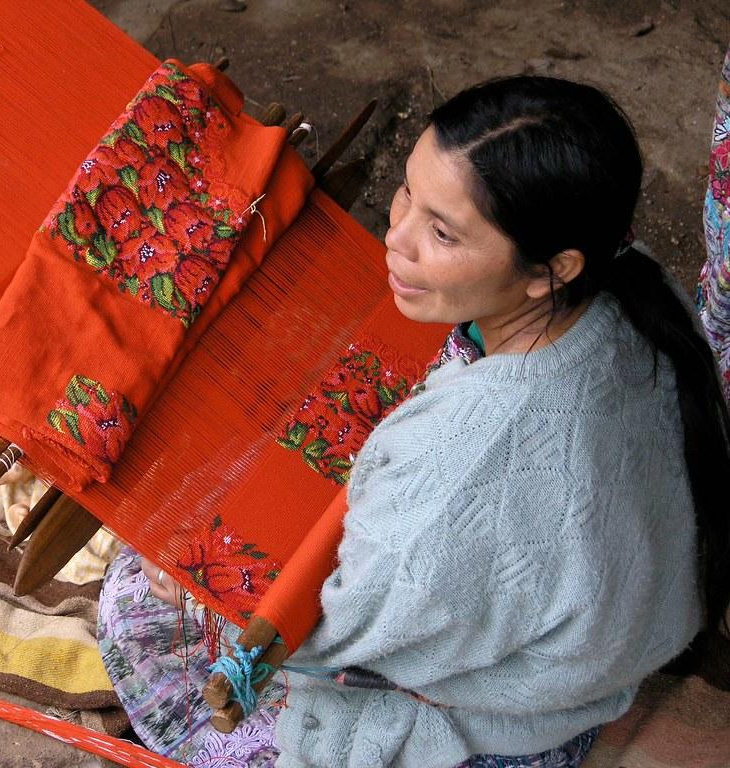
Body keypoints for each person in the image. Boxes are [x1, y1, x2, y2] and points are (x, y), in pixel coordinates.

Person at [97, 74, 730, 768]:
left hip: (505, 729)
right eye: (407, 192)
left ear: (551, 270)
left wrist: (206, 596)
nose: (395, 239)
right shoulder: (629, 285)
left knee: (142, 599)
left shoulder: (464, 468)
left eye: (442, 232)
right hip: (592, 657)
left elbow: (317, 636)